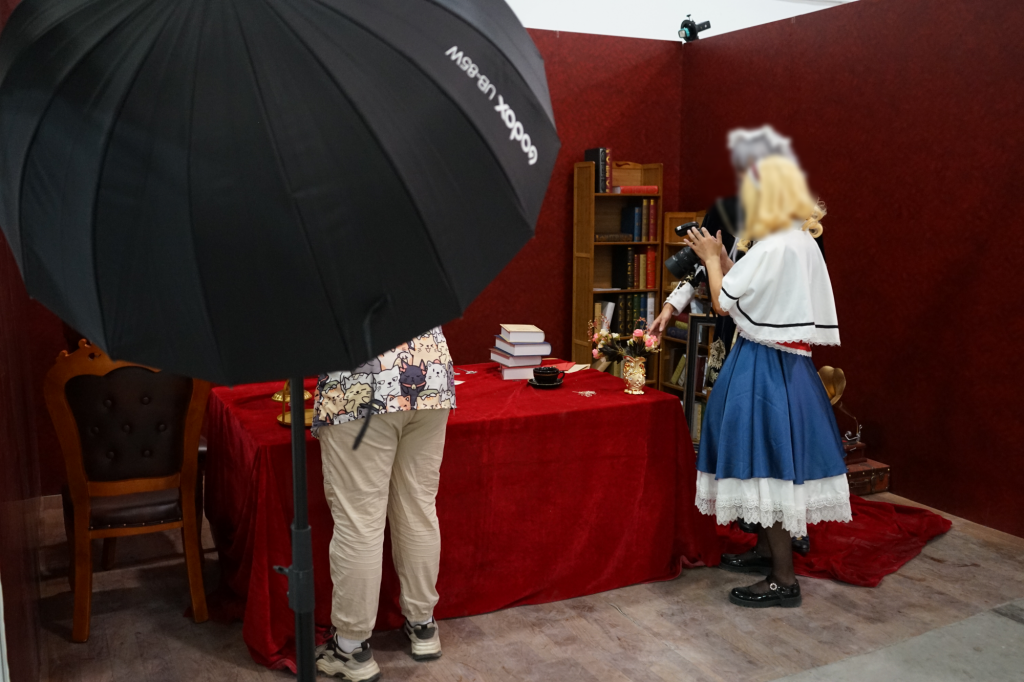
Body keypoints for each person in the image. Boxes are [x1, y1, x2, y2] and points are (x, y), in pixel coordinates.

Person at [682, 155, 851, 608]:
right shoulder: (797, 240)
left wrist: (709, 261)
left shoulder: (775, 244)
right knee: (769, 458)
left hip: (765, 366)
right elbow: (750, 287)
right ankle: (765, 551)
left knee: (766, 464)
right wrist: (722, 257)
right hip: (788, 365)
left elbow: (723, 303)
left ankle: (782, 579)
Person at [312, 328, 456, 680]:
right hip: (431, 373)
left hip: (360, 384)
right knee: (419, 509)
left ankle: (350, 647)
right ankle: (423, 625)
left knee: (359, 523)